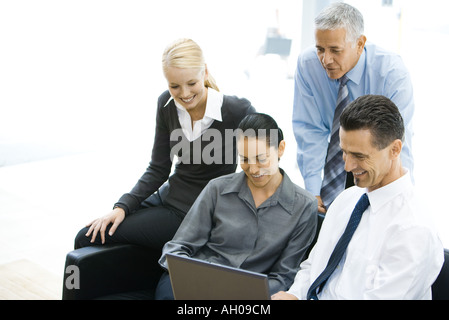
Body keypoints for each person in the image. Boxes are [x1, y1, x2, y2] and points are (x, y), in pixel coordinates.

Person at [74, 38, 256, 250]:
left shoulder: (238, 111)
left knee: (89, 238)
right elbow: (158, 168)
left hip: (192, 213)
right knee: (86, 235)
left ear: (204, 72)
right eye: (174, 86)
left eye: (191, 84)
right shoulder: (166, 104)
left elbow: (267, 159)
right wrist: (122, 206)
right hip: (167, 196)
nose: (185, 94)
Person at [272, 95, 443, 300]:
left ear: (395, 149)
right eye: (345, 152)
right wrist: (295, 295)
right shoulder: (348, 199)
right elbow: (315, 265)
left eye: (359, 156)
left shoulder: (412, 229)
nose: (347, 166)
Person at [155, 113, 318, 299]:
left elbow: (284, 277)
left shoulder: (304, 207)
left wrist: (237, 293)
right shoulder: (217, 188)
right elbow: (177, 248)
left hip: (247, 296)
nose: (253, 169)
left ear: (280, 149)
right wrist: (195, 279)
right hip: (196, 283)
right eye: (245, 159)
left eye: (261, 158)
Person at [292, 3, 414, 213]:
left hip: (371, 161)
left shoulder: (391, 73)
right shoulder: (308, 65)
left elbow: (398, 145)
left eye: (335, 50)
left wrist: (401, 203)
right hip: (332, 166)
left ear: (359, 43)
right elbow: (310, 131)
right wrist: (312, 190)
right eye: (320, 49)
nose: (325, 59)